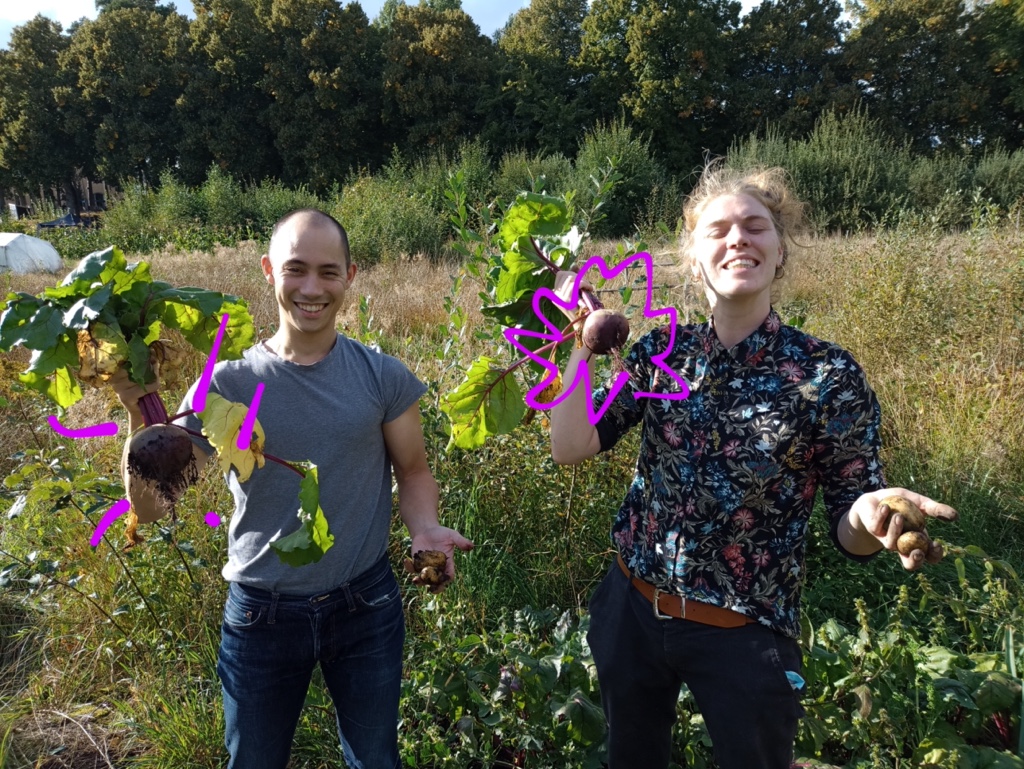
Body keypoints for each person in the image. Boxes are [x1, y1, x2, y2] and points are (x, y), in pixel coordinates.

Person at [547, 165, 957, 769]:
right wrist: (577, 344)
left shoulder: (826, 376)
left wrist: (869, 514)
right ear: (693, 258)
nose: (737, 239)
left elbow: (852, 528)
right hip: (631, 611)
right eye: (718, 230)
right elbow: (572, 444)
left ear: (779, 250)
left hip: (745, 636)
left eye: (754, 226)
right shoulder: (664, 356)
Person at [112, 208, 473, 769]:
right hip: (262, 616)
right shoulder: (225, 384)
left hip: (366, 604)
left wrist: (423, 527)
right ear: (267, 271)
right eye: (295, 269)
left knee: (376, 758)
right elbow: (153, 508)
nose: (312, 288)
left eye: (329, 272)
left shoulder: (383, 376)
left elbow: (414, 470)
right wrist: (141, 413)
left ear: (350, 276)